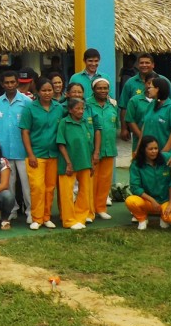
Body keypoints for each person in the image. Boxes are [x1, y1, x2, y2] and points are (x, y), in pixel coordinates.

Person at [21, 78, 63, 230]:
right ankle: (36, 218)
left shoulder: (59, 108)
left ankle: (46, 217)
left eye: (49, 90)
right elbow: (25, 132)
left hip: (54, 154)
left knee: (50, 188)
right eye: (44, 90)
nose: (47, 93)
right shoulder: (30, 109)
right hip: (36, 154)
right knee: (37, 187)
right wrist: (30, 154)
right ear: (37, 92)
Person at [0, 70, 32, 223]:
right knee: (8, 184)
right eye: (6, 82)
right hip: (4, 152)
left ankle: (30, 211)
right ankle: (12, 209)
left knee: (26, 184)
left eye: (12, 82)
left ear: (17, 83)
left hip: (22, 150)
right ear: (2, 84)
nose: (10, 85)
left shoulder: (26, 102)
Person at [125, 135, 171, 230]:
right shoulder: (136, 164)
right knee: (130, 201)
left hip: (164, 201)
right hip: (148, 202)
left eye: (156, 148)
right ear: (143, 150)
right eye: (150, 149)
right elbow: (135, 187)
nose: (154, 151)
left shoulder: (165, 157)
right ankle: (142, 219)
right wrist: (152, 201)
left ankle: (163, 217)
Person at [56, 98, 94, 230]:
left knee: (85, 191)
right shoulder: (64, 123)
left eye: (82, 108)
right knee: (67, 193)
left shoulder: (84, 122)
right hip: (69, 163)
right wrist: (68, 163)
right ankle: (68, 220)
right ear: (70, 110)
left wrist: (91, 163)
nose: (80, 111)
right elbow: (61, 144)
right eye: (77, 109)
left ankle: (80, 217)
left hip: (84, 162)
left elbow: (89, 143)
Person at [86, 77, 118, 221]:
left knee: (105, 181)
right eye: (99, 88)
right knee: (91, 181)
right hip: (92, 150)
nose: (103, 90)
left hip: (109, 148)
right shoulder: (87, 104)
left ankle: (101, 208)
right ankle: (89, 210)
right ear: (93, 89)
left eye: (105, 88)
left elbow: (115, 125)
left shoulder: (113, 104)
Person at [118, 54, 171, 127]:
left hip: (161, 128)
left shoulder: (164, 81)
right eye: (141, 63)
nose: (144, 65)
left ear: (153, 65)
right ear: (137, 65)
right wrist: (123, 128)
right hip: (137, 128)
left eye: (147, 63)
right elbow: (124, 107)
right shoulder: (130, 82)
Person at [138, 77, 171, 155]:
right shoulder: (151, 105)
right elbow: (144, 127)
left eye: (150, 87)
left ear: (157, 89)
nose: (148, 89)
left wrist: (164, 152)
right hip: (149, 153)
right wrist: (138, 149)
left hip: (165, 154)